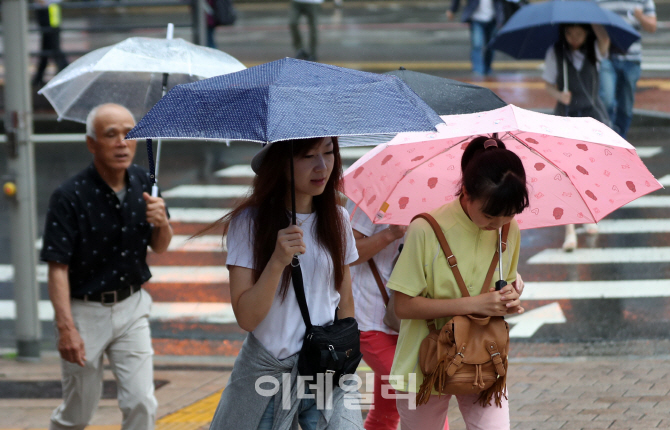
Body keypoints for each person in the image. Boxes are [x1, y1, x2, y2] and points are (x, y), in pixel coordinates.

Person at [207, 136, 363, 429]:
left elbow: (345, 301)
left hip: (325, 370)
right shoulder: (250, 222)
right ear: (281, 164)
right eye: (307, 156)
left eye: (328, 153)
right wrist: (277, 261)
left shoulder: (338, 219)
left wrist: (345, 354)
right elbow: (247, 317)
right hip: (269, 375)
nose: (322, 166)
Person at [41, 104, 173, 430]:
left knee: (142, 401)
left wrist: (162, 221)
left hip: (132, 306)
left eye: (129, 133)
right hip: (85, 313)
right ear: (92, 143)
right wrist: (66, 329)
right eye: (110, 134)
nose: (121, 142)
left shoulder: (146, 182)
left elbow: (159, 245)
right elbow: (57, 267)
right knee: (79, 412)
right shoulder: (69, 196)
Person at [386, 136, 527, 430]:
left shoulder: (508, 230)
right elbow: (402, 305)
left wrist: (510, 296)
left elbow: (505, 286)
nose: (498, 224)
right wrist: (476, 303)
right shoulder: (424, 229)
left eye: (509, 215)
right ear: (466, 191)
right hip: (423, 359)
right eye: (490, 215)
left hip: (483, 357)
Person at [346, 203, 451, 430]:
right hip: (370, 319)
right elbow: (347, 252)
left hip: (412, 321)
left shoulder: (441, 198)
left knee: (389, 408)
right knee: (421, 394)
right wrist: (391, 234)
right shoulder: (374, 194)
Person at [543, 23, 610, 251]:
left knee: (590, 170)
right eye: (570, 33)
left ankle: (591, 215)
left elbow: (605, 42)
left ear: (587, 33)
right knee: (567, 171)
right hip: (566, 115)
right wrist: (559, 95)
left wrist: (594, 22)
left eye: (579, 34)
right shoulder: (556, 51)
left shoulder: (595, 49)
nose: (574, 38)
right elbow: (547, 84)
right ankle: (569, 229)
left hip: (593, 116)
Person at [597, 0, 657, 138]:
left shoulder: (644, 1)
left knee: (626, 104)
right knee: (606, 99)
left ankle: (620, 138)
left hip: (632, 59)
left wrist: (640, 17)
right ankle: (606, 137)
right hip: (607, 57)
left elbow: (652, 27)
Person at [447, 0, 505, 76]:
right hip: (476, 18)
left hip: (493, 18)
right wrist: (453, 9)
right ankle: (478, 71)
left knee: (490, 46)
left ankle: (487, 69)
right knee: (477, 45)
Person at [32, 0, 69, 88]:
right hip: (47, 10)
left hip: (50, 10)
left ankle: (39, 78)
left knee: (51, 46)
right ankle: (39, 78)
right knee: (50, 46)